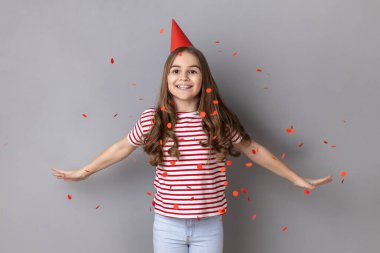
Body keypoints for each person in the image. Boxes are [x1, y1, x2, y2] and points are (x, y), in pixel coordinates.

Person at [51, 19, 333, 253]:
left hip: (209, 226)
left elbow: (253, 149)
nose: (183, 77)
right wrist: (84, 171)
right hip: (167, 225)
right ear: (167, 78)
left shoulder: (217, 118)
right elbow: (123, 147)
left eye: (192, 71)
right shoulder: (154, 119)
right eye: (176, 71)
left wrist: (296, 178)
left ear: (203, 79)